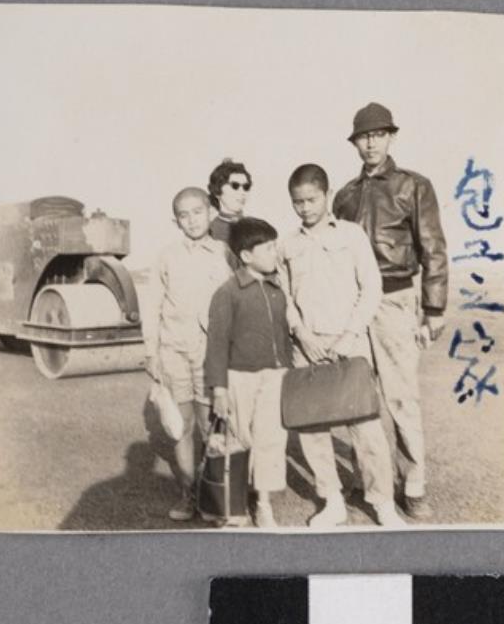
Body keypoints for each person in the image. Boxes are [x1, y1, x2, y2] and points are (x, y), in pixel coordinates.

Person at [333, 102, 448, 519]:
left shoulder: (413, 186)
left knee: (401, 397)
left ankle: (413, 484)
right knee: (359, 398)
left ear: (391, 138)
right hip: (353, 306)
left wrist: (433, 307)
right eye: (364, 136)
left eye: (378, 135)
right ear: (354, 143)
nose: (371, 143)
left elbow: (433, 247)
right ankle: (370, 481)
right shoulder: (344, 196)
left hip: (395, 300)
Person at [279, 163, 404, 530]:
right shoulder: (287, 244)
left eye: (312, 200)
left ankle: (382, 503)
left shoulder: (351, 235)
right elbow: (284, 297)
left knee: (365, 427)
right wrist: (301, 333)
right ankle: (332, 501)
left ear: (328, 195)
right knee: (312, 429)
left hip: (350, 344)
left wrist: (349, 335)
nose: (305, 208)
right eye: (297, 202)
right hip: (307, 348)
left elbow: (371, 287)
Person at [143, 187, 233, 522]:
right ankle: (188, 494)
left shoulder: (225, 253)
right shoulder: (166, 256)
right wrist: (151, 352)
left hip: (211, 354)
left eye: (198, 212)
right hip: (174, 352)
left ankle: (215, 496)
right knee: (180, 427)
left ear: (211, 212)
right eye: (184, 215)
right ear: (176, 221)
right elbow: (152, 306)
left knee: (213, 427)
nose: (192, 220)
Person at [204, 217, 292, 528]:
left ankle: (264, 504)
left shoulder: (277, 290)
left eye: (274, 246)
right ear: (246, 256)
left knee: (271, 439)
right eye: (267, 248)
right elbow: (216, 344)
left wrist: (286, 369)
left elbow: (283, 336)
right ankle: (232, 504)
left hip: (274, 377)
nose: (274, 253)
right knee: (238, 439)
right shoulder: (228, 293)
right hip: (239, 378)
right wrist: (219, 389)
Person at [207, 159, 252, 244]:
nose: (242, 192)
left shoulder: (254, 227)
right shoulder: (209, 230)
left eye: (246, 187)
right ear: (217, 190)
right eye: (235, 186)